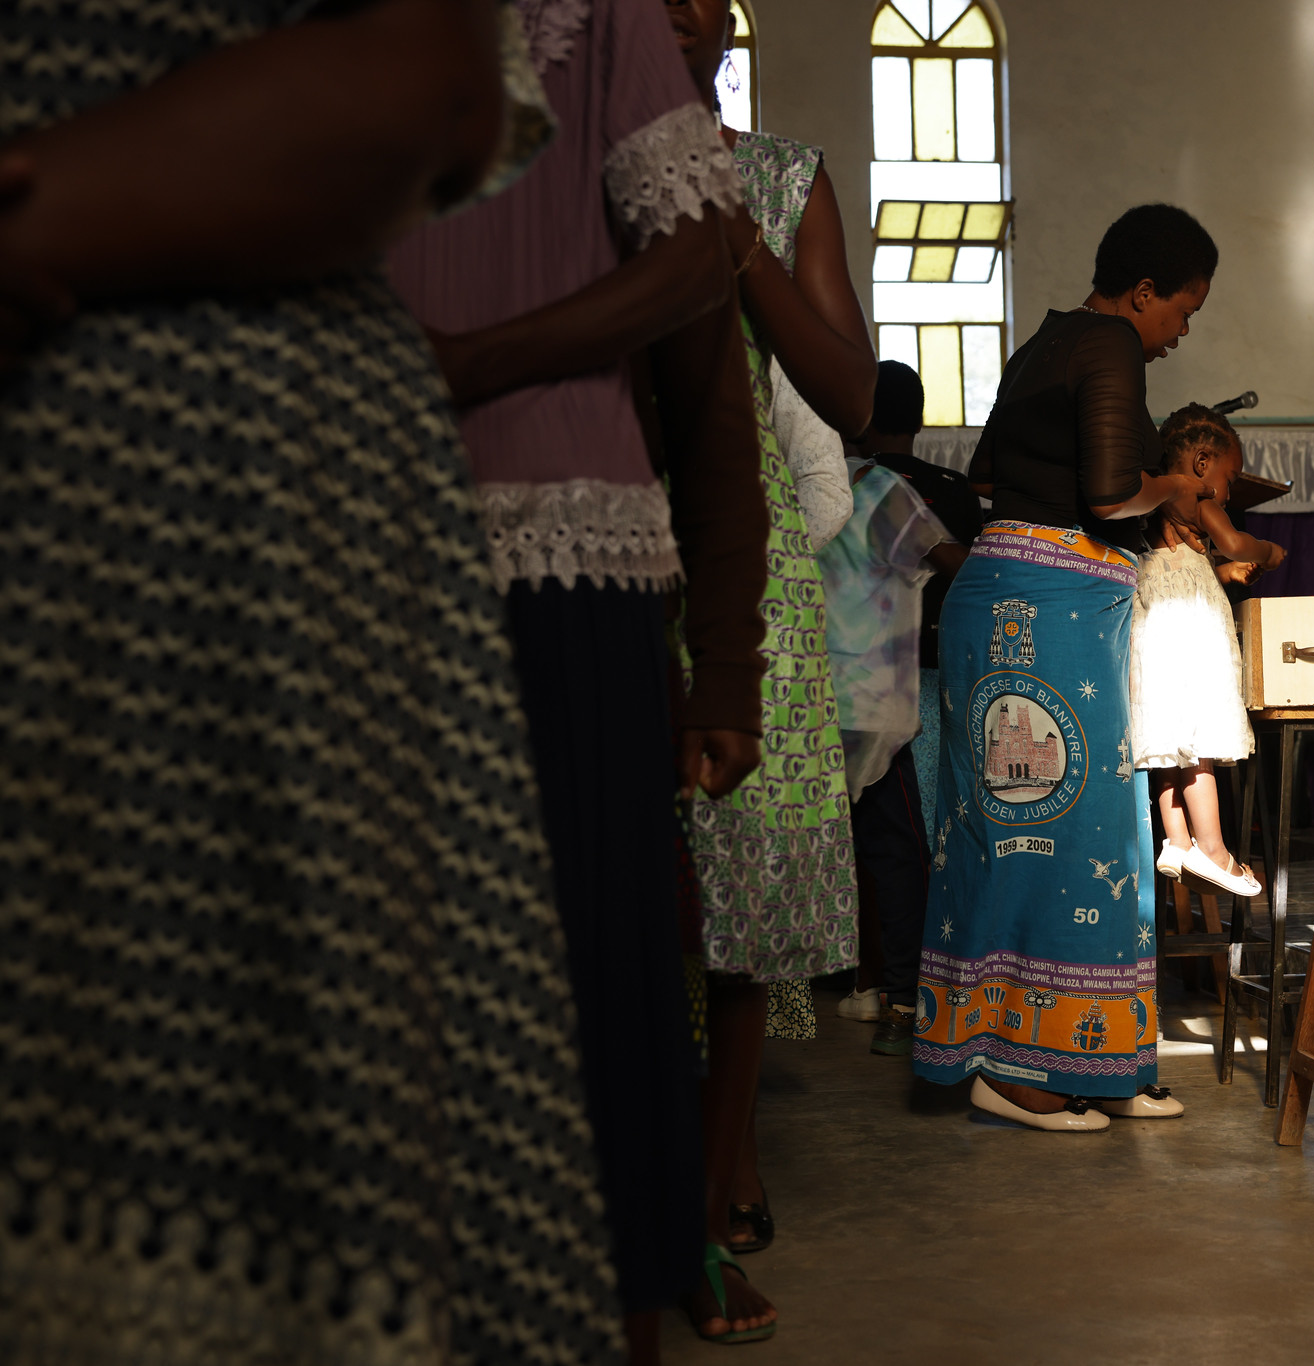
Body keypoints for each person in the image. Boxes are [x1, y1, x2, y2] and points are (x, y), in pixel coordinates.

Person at [0, 4, 646, 1362]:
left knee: (241, 1132)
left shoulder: (626, 52)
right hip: (244, 491)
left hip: (196, 504)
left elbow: (417, 78)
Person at [384, 0, 770, 1352]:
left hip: (568, 567)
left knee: (597, 996)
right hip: (355, 552)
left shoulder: (591, 23)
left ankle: (620, 1297)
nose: (702, 29)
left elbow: (708, 352)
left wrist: (729, 656)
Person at [911, 204, 1218, 1132]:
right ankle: (1011, 1066)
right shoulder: (1111, 344)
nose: (1181, 333)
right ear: (1143, 292)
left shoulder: (1043, 342)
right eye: (1185, 310)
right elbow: (1112, 493)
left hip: (1022, 600)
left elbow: (990, 477)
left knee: (1077, 836)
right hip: (1043, 611)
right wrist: (1179, 486)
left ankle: (1093, 1052)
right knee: (1049, 832)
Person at [667, 0, 875, 1304]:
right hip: (610, 534)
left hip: (748, 572)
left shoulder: (782, 174)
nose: (689, 11)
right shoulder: (545, 167)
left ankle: (723, 1164)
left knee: (738, 897)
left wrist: (740, 251)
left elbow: (851, 390)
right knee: (634, 888)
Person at [840, 361, 983, 1051]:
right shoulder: (892, 490)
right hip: (889, 691)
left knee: (823, 848)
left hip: (809, 692)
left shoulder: (818, 485)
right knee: (898, 844)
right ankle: (904, 997)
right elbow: (956, 562)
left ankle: (815, 998)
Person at [1132, 404, 1286, 898]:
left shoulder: (1153, 510)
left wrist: (1221, 573)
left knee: (1169, 744)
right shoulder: (1197, 497)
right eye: (1230, 476)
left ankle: (1176, 841)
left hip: (1158, 632)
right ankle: (1214, 850)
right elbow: (1236, 542)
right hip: (1191, 639)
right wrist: (1267, 551)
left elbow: (1175, 574)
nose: (1230, 489)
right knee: (1197, 746)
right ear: (1202, 463)